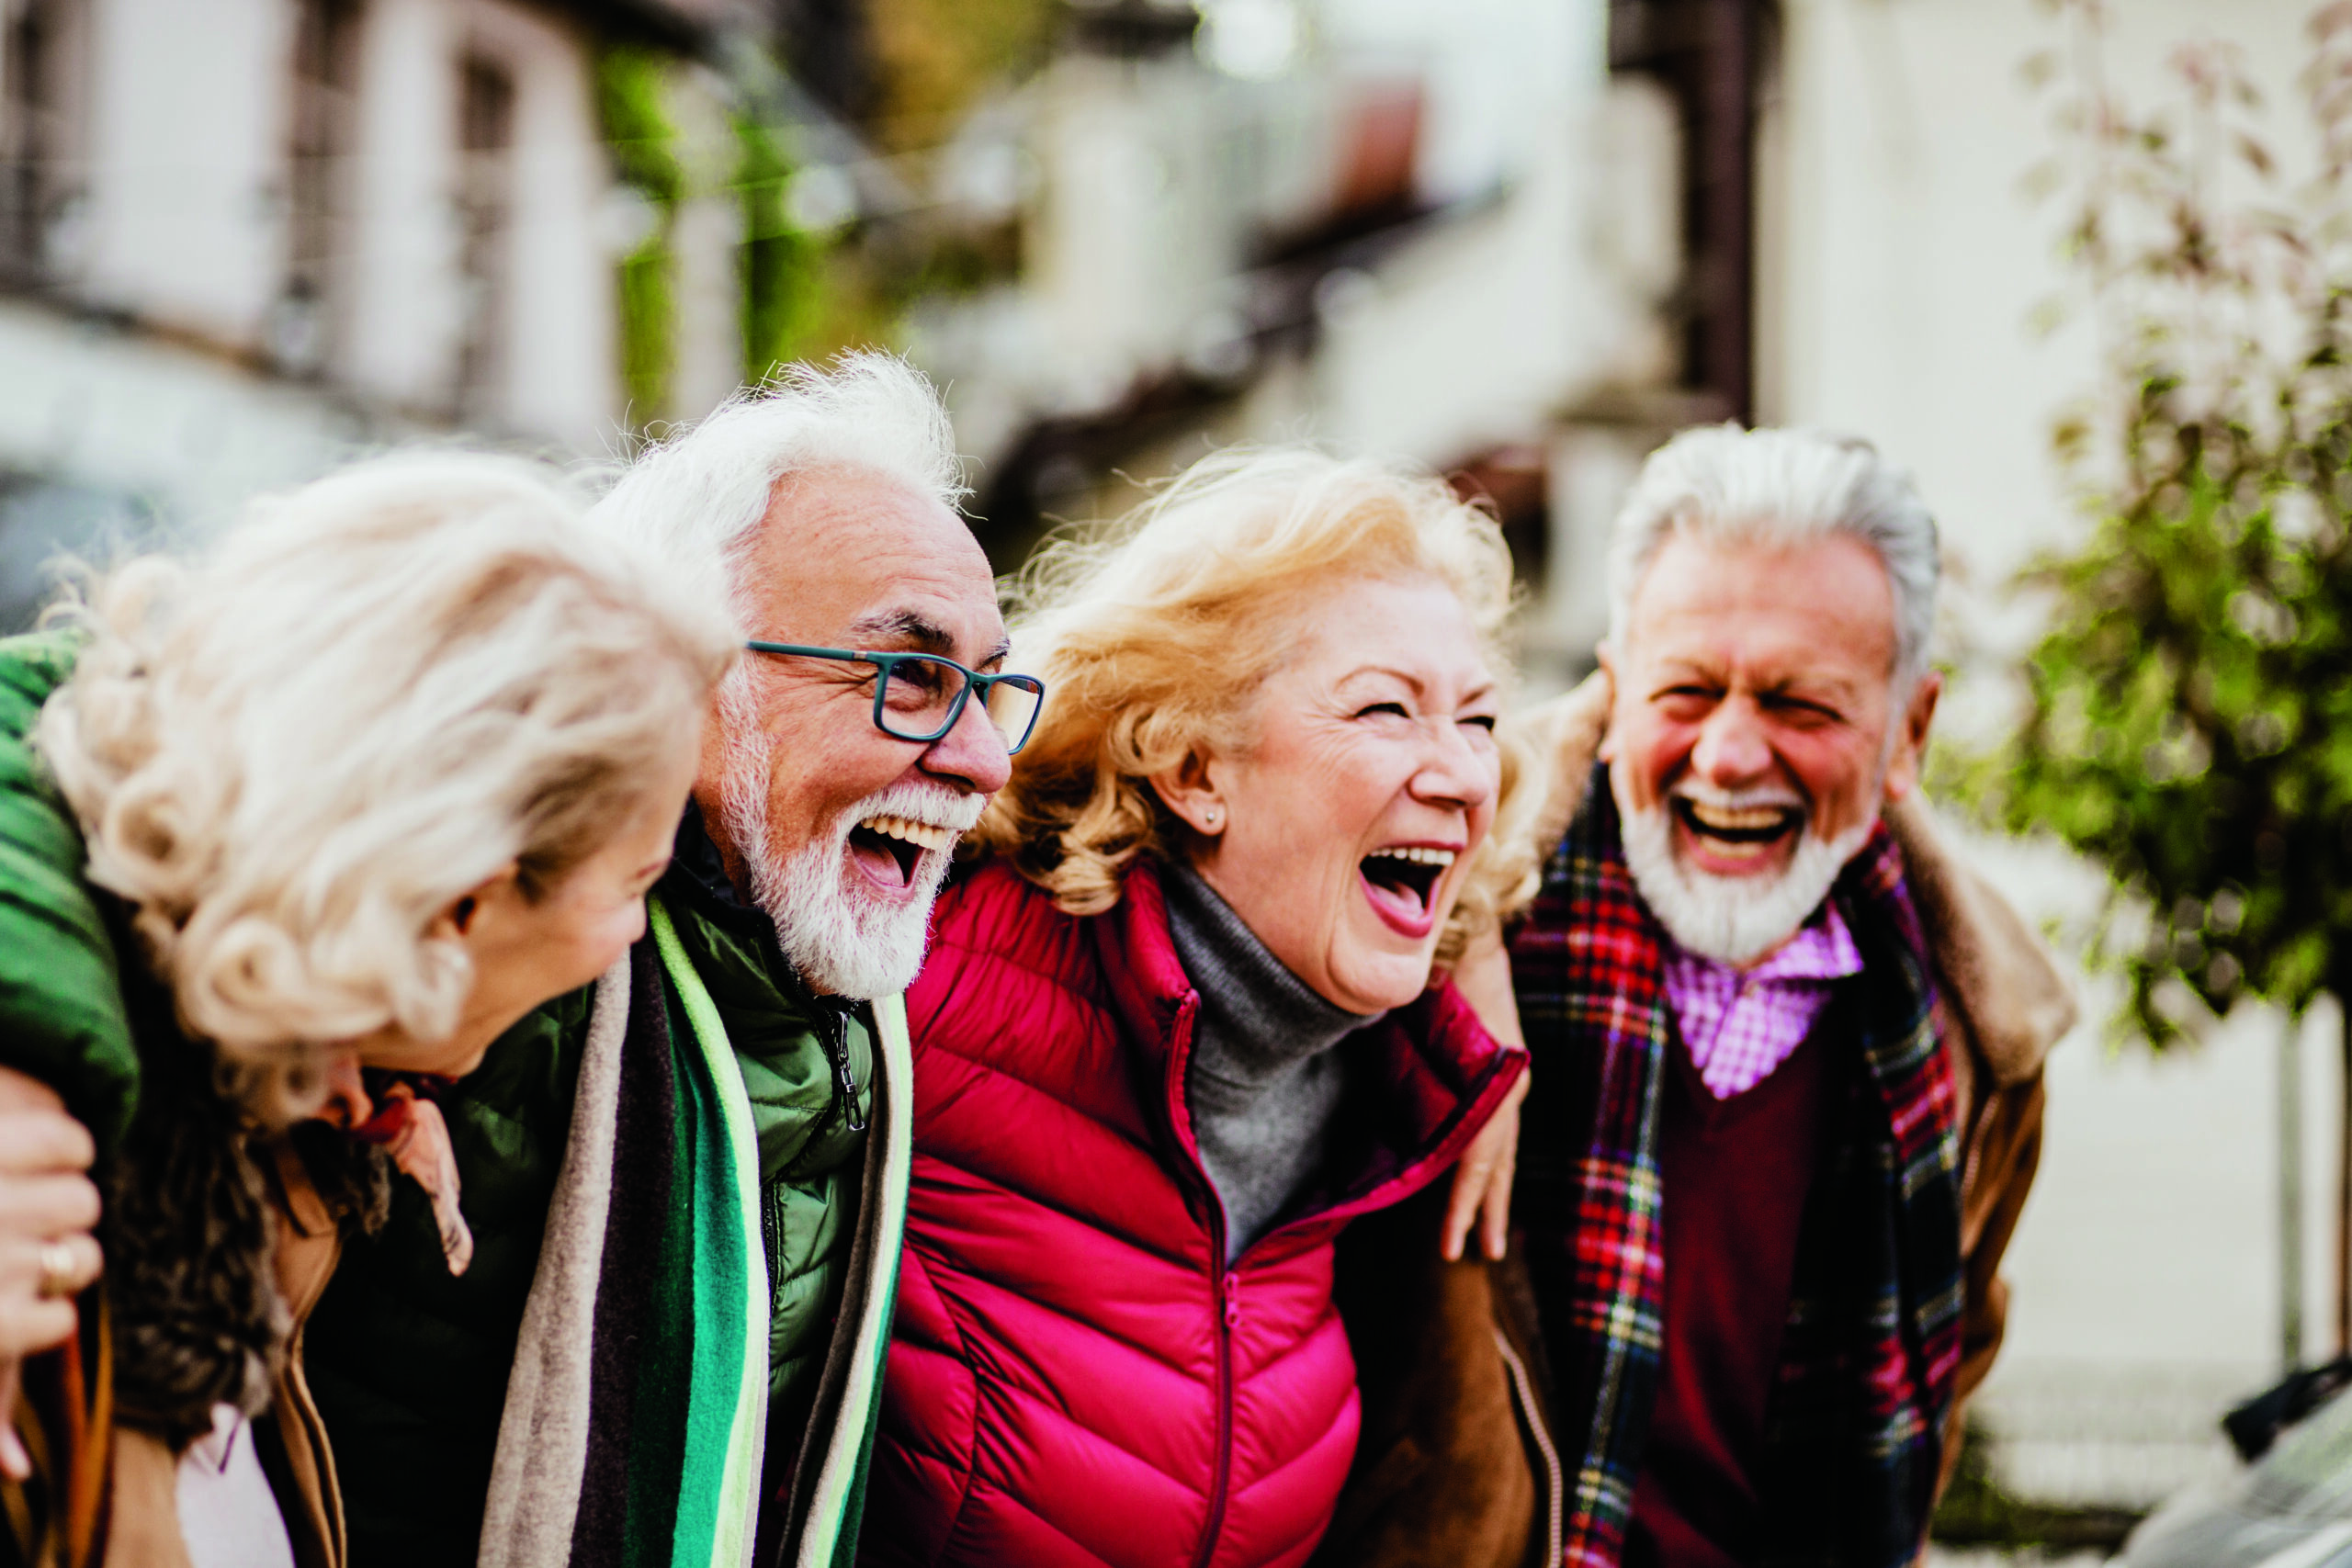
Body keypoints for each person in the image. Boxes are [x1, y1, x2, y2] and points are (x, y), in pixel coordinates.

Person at [0, 352, 1030, 1568]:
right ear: (457, 897)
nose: (982, 759)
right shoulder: (104, 1160)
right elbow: (58, 714)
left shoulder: (319, 1070)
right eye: (908, 672)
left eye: (990, 685)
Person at [0, 453, 731, 1568]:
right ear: (456, 904)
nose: (638, 933)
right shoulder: (36, 1177)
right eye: (636, 883)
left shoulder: (253, 1113)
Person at [859, 449, 1538, 1568]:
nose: (1465, 774)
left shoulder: (1395, 1073)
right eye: (1385, 709)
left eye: (1476, 720)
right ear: (1189, 769)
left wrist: (1481, 949)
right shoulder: (921, 984)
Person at [1505, 426, 2071, 1568]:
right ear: (1611, 691)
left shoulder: (1981, 1046)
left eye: (1798, 706)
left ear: (1907, 731)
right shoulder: (1442, 938)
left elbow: (1944, 1375)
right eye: (1685, 690)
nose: (1725, 755)